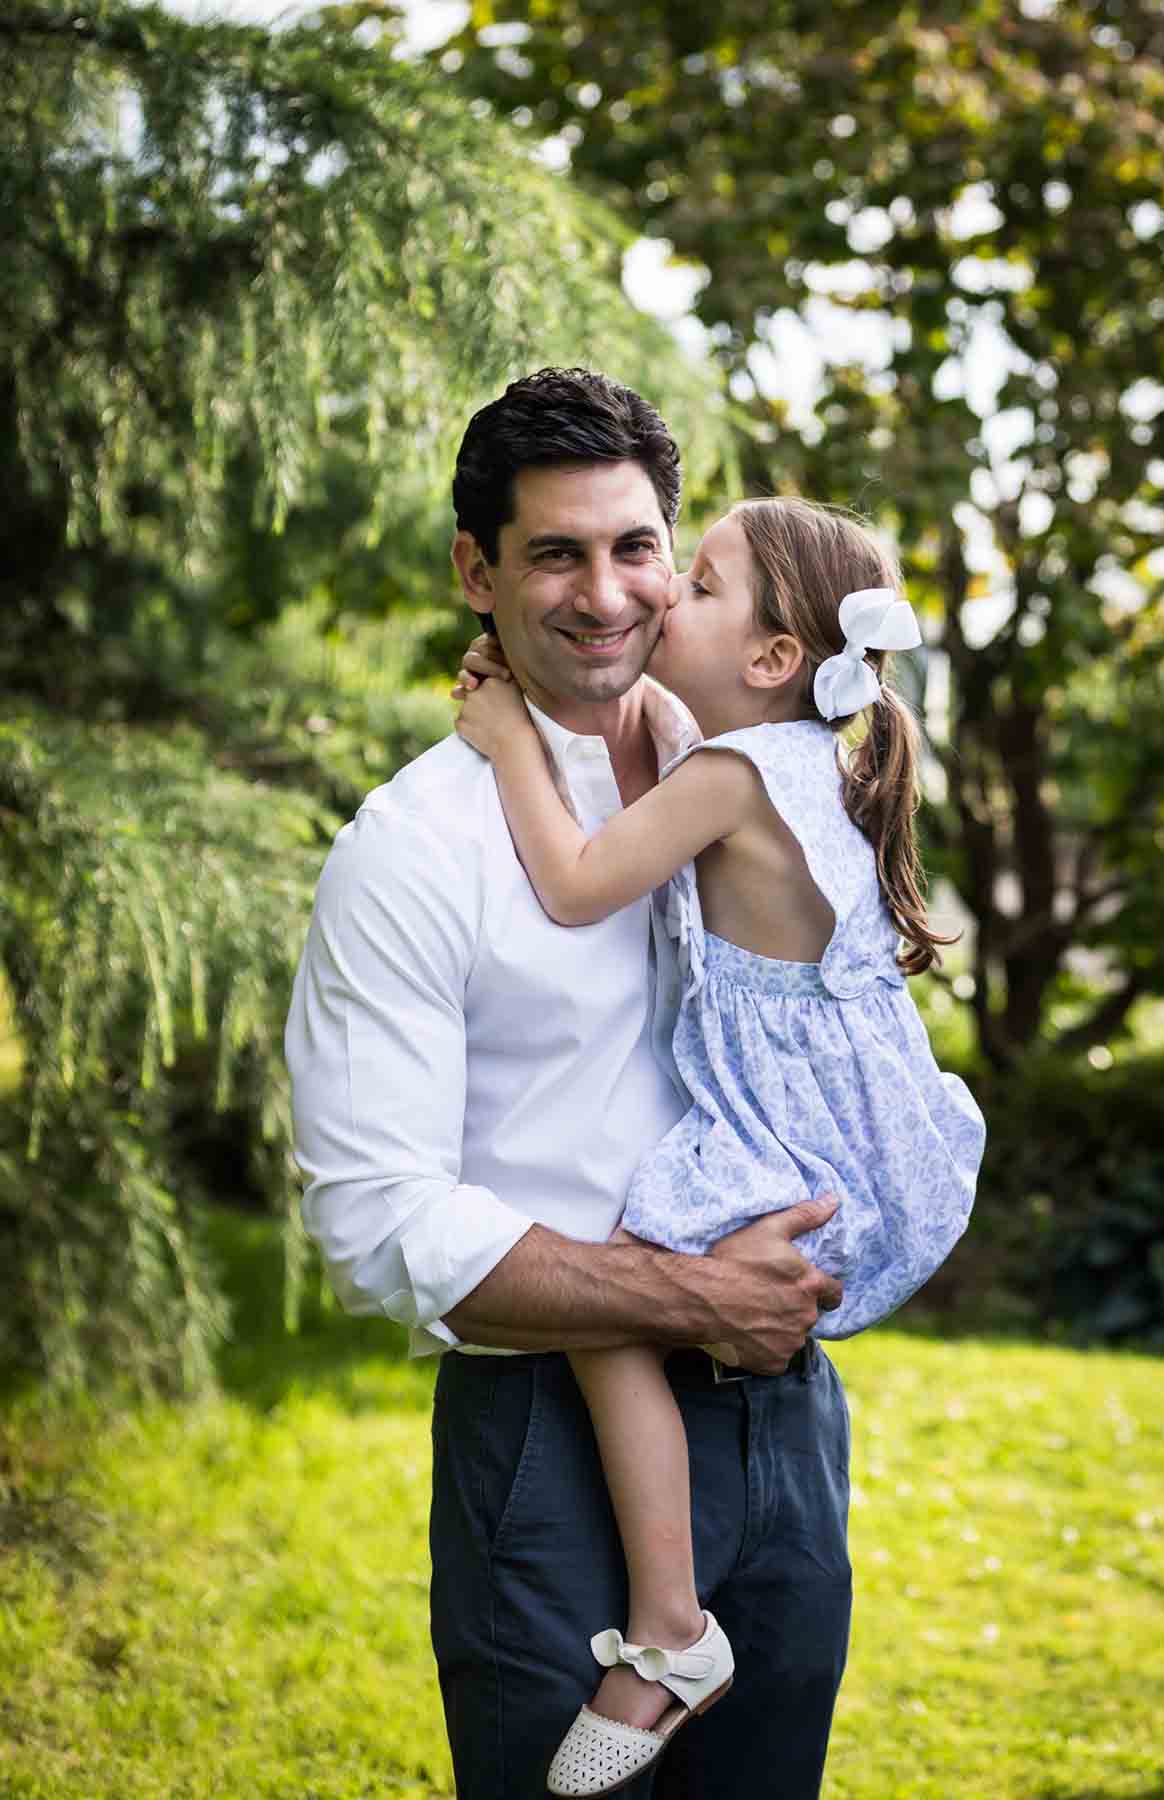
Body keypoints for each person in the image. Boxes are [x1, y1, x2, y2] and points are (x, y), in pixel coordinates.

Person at [286, 368, 854, 1800]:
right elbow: (376, 1218)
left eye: (635, 548)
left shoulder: (728, 769)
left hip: (779, 1414)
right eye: (554, 553)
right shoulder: (416, 850)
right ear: (476, 571)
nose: (604, 594)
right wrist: (683, 1294)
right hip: (549, 1439)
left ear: (677, 558)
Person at [453, 494, 986, 1795]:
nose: (657, 598)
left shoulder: (729, 775)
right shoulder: (803, 760)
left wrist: (506, 734)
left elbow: (578, 878)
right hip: (864, 1146)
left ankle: (672, 1628)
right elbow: (654, 728)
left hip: (790, 1157)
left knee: (602, 1280)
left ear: (769, 661)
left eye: (693, 583)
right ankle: (678, 1624)